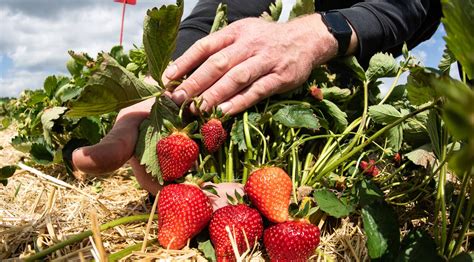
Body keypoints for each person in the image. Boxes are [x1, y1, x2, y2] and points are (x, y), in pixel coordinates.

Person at [72, 0, 442, 210]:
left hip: (360, 46)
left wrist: (318, 33)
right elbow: (225, 6)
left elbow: (413, 5)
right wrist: (168, 82)